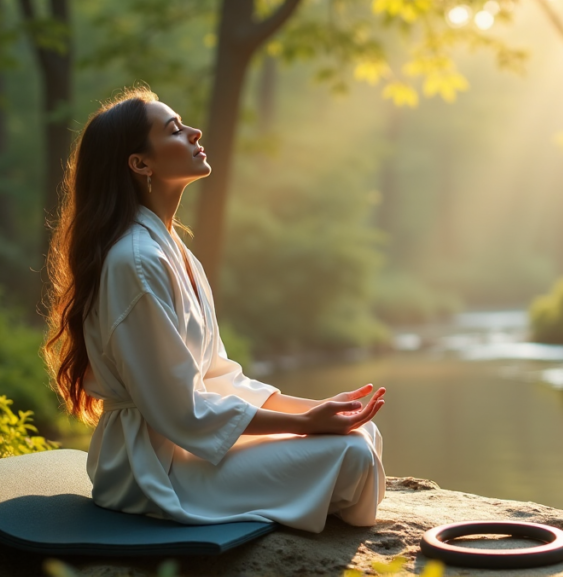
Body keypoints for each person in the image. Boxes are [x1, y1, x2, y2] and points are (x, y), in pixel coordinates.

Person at [42, 87, 387, 534]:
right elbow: (179, 408)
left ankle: (299, 496)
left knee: (361, 435)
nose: (194, 131)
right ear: (140, 163)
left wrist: (319, 409)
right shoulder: (135, 261)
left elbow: (220, 377)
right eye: (174, 129)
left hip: (190, 444)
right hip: (154, 468)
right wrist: (303, 423)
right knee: (352, 454)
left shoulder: (174, 251)